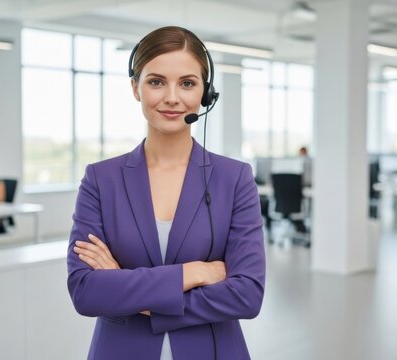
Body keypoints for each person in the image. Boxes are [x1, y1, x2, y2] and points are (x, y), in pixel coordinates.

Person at [67, 26, 266, 360]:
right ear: (136, 88)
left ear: (205, 94)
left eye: (187, 83)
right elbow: (86, 291)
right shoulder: (101, 179)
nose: (172, 97)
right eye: (156, 81)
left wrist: (131, 292)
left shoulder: (235, 178)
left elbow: (247, 295)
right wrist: (196, 273)